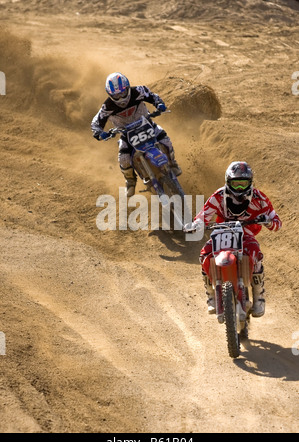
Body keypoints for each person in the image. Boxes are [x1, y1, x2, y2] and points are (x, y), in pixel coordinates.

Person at [184, 161, 282, 317]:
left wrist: (269, 222)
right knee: (204, 255)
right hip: (222, 231)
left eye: (243, 184)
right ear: (228, 182)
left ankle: (259, 298)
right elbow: (204, 214)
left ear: (250, 183)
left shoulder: (260, 198)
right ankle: (211, 295)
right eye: (235, 184)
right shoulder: (219, 195)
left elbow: (277, 222)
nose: (239, 189)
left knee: (256, 254)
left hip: (247, 233)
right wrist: (196, 224)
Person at [91, 72, 182, 197]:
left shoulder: (139, 91)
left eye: (123, 92)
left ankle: (172, 163)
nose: (121, 97)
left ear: (128, 88)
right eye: (116, 95)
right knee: (123, 159)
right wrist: (99, 133)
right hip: (126, 134)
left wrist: (159, 104)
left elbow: (152, 96)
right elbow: (96, 122)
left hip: (147, 125)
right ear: (110, 94)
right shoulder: (107, 107)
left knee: (165, 140)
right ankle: (130, 181)